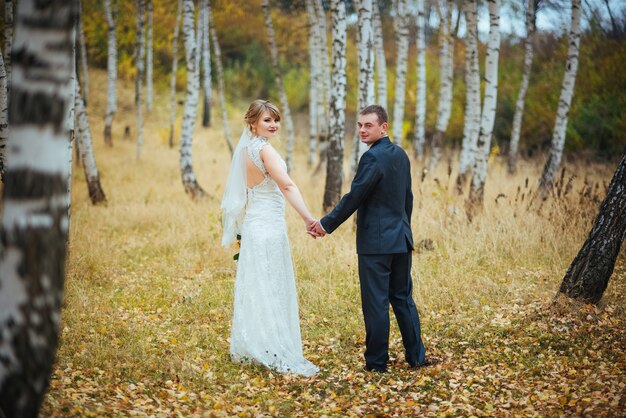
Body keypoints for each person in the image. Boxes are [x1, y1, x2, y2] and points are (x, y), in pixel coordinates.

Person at [310, 105, 434, 372]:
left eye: (368, 125)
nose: (362, 130)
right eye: (359, 125)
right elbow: (407, 200)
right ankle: (417, 357)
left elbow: (355, 197)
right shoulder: (400, 155)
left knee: (376, 302)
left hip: (377, 245)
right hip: (401, 239)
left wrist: (325, 224)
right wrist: (404, 229)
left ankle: (377, 363)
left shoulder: (372, 158)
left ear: (383, 127)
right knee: (402, 298)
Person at [221, 99, 319, 376]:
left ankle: (256, 343)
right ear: (252, 122)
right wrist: (308, 218)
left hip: (255, 225)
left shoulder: (244, 151)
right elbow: (286, 185)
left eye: (276, 120)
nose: (273, 125)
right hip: (269, 228)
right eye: (267, 120)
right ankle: (272, 346)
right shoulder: (264, 151)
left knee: (258, 285)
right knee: (272, 285)